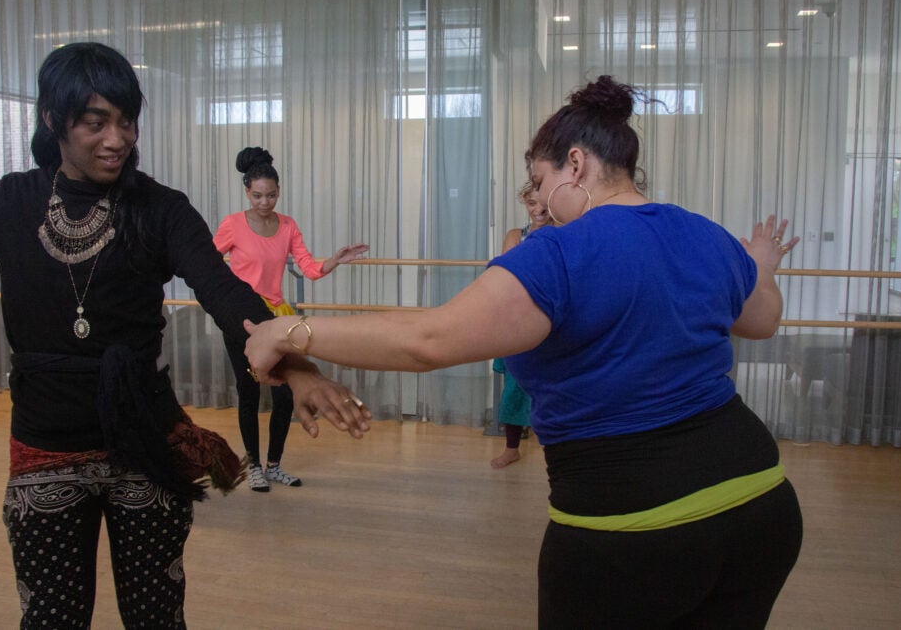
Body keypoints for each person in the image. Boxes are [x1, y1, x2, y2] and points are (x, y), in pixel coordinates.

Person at [244, 75, 804, 628]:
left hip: (631, 525)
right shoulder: (703, 233)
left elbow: (429, 341)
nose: (538, 198)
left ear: (576, 165)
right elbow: (763, 319)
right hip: (760, 502)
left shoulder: (558, 252)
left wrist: (288, 332)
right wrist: (762, 265)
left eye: (540, 178)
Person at [0, 42, 369, 629]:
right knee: (52, 619)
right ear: (54, 121)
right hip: (44, 447)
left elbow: (223, 291)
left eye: (126, 121)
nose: (117, 139)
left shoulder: (161, 209)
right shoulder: (8, 203)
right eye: (95, 122)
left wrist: (298, 366)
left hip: (145, 445)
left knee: (156, 618)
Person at [214, 146, 368, 492]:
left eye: (270, 195)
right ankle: (252, 466)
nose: (264, 202)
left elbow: (309, 269)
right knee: (249, 392)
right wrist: (224, 302)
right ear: (246, 192)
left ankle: (274, 465)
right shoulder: (233, 225)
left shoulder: (287, 226)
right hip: (241, 319)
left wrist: (335, 260)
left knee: (284, 394)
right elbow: (208, 267)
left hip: (277, 317)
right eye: (257, 195)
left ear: (278, 192)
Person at [490, 181, 551, 468]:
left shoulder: (565, 230)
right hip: (518, 319)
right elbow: (505, 271)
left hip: (553, 321)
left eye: (543, 204)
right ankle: (512, 446)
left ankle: (559, 447)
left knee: (557, 387)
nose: (538, 210)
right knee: (515, 386)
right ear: (524, 204)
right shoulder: (516, 235)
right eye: (531, 204)